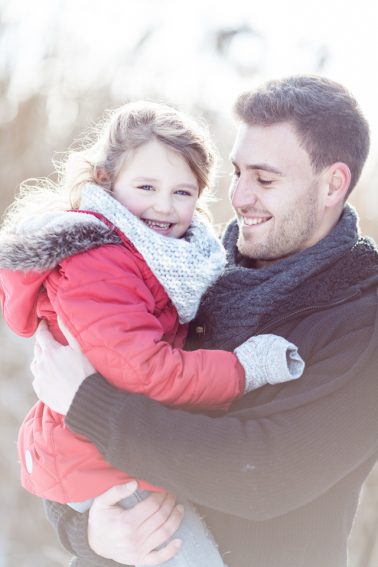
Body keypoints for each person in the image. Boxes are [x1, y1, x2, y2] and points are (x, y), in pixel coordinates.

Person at [27, 74, 378, 567]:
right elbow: (68, 436)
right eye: (237, 173)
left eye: (265, 178)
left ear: (333, 184)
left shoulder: (362, 314)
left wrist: (91, 405)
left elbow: (267, 475)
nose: (239, 197)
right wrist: (89, 533)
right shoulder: (188, 269)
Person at [0, 101, 304, 567]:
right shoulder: (98, 263)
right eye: (147, 186)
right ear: (107, 181)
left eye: (183, 192)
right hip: (103, 467)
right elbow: (146, 371)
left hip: (115, 454)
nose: (165, 205)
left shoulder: (169, 257)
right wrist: (245, 369)